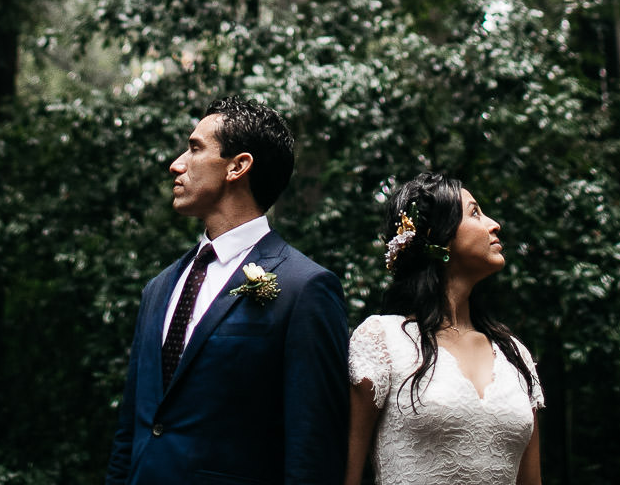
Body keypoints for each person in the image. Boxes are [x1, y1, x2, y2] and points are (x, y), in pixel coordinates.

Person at [106, 96, 349, 485]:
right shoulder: (158, 289)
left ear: (238, 166)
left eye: (195, 148)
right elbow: (130, 434)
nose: (176, 164)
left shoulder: (305, 288)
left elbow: (313, 450)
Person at [344, 172, 544, 485]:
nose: (494, 224)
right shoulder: (383, 340)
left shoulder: (515, 355)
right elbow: (348, 475)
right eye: (475, 213)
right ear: (440, 237)